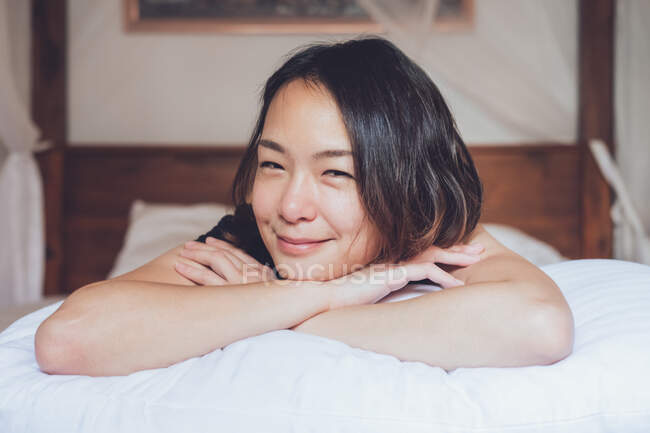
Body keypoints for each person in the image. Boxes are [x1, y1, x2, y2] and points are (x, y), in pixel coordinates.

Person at [34, 37, 574, 377]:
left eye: (336, 172)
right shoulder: (240, 243)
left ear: (406, 182)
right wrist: (324, 292)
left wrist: (284, 315)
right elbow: (68, 340)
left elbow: (538, 326)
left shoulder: (438, 233)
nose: (290, 205)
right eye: (272, 165)